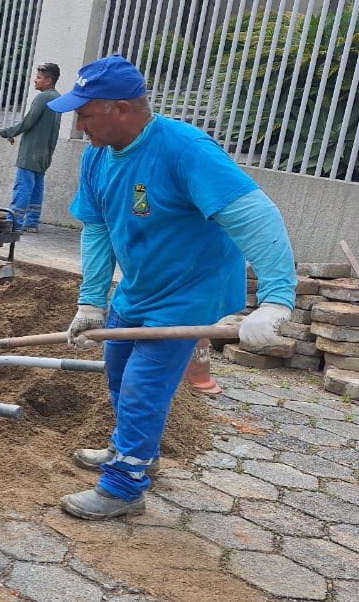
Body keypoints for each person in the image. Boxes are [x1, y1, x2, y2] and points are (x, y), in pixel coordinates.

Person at [50, 55, 295, 520]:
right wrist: (90, 300)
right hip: (141, 285)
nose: (79, 125)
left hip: (191, 290)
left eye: (84, 113)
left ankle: (124, 487)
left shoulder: (185, 150)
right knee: (119, 370)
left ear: (120, 108)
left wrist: (276, 299)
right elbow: (97, 228)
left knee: (145, 385)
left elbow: (257, 217)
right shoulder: (98, 156)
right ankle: (138, 453)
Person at [0, 63, 62, 232]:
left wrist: (8, 132)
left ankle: (14, 223)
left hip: (31, 152)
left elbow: (29, 121)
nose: (35, 80)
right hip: (45, 153)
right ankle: (32, 222)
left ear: (48, 81)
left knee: (23, 188)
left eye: (39, 77)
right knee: (37, 188)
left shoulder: (42, 98)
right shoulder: (58, 98)